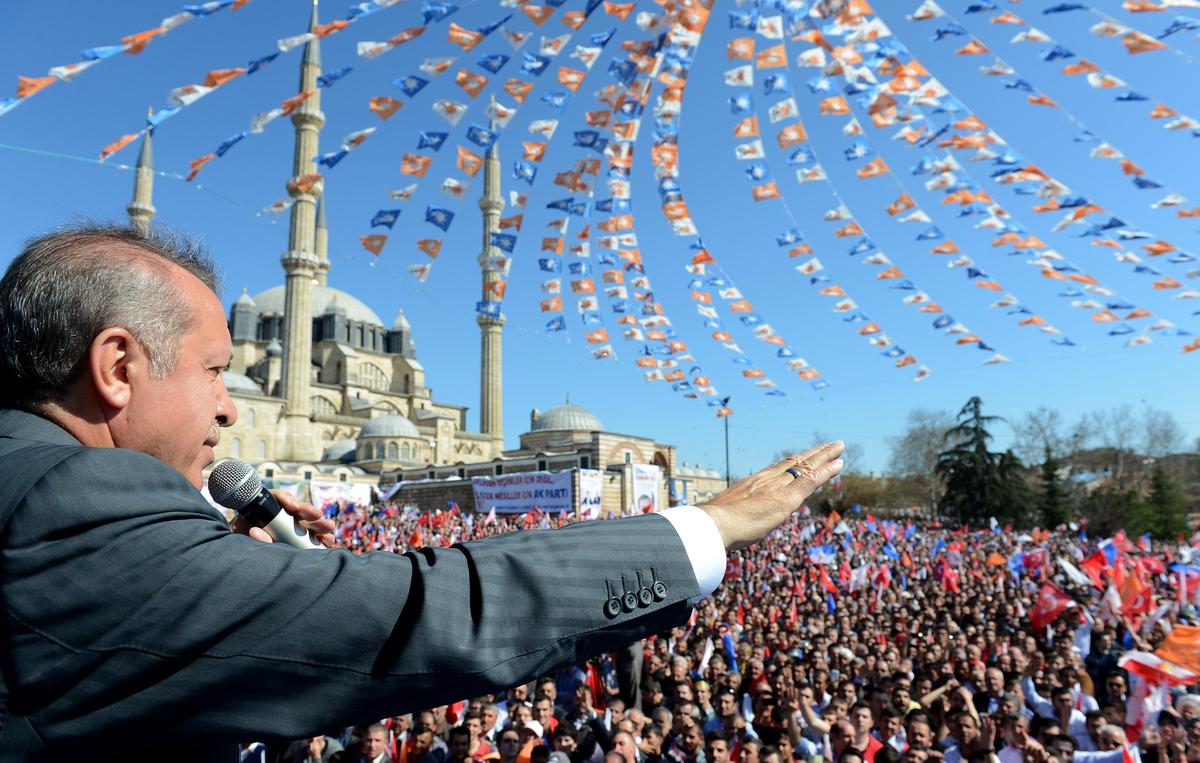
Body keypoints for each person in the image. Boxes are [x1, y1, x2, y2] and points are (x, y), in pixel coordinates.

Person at [0, 223, 845, 760]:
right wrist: (703, 527)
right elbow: (413, 606)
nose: (227, 403)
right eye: (216, 370)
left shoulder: (36, 485)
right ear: (117, 367)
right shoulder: (69, 511)